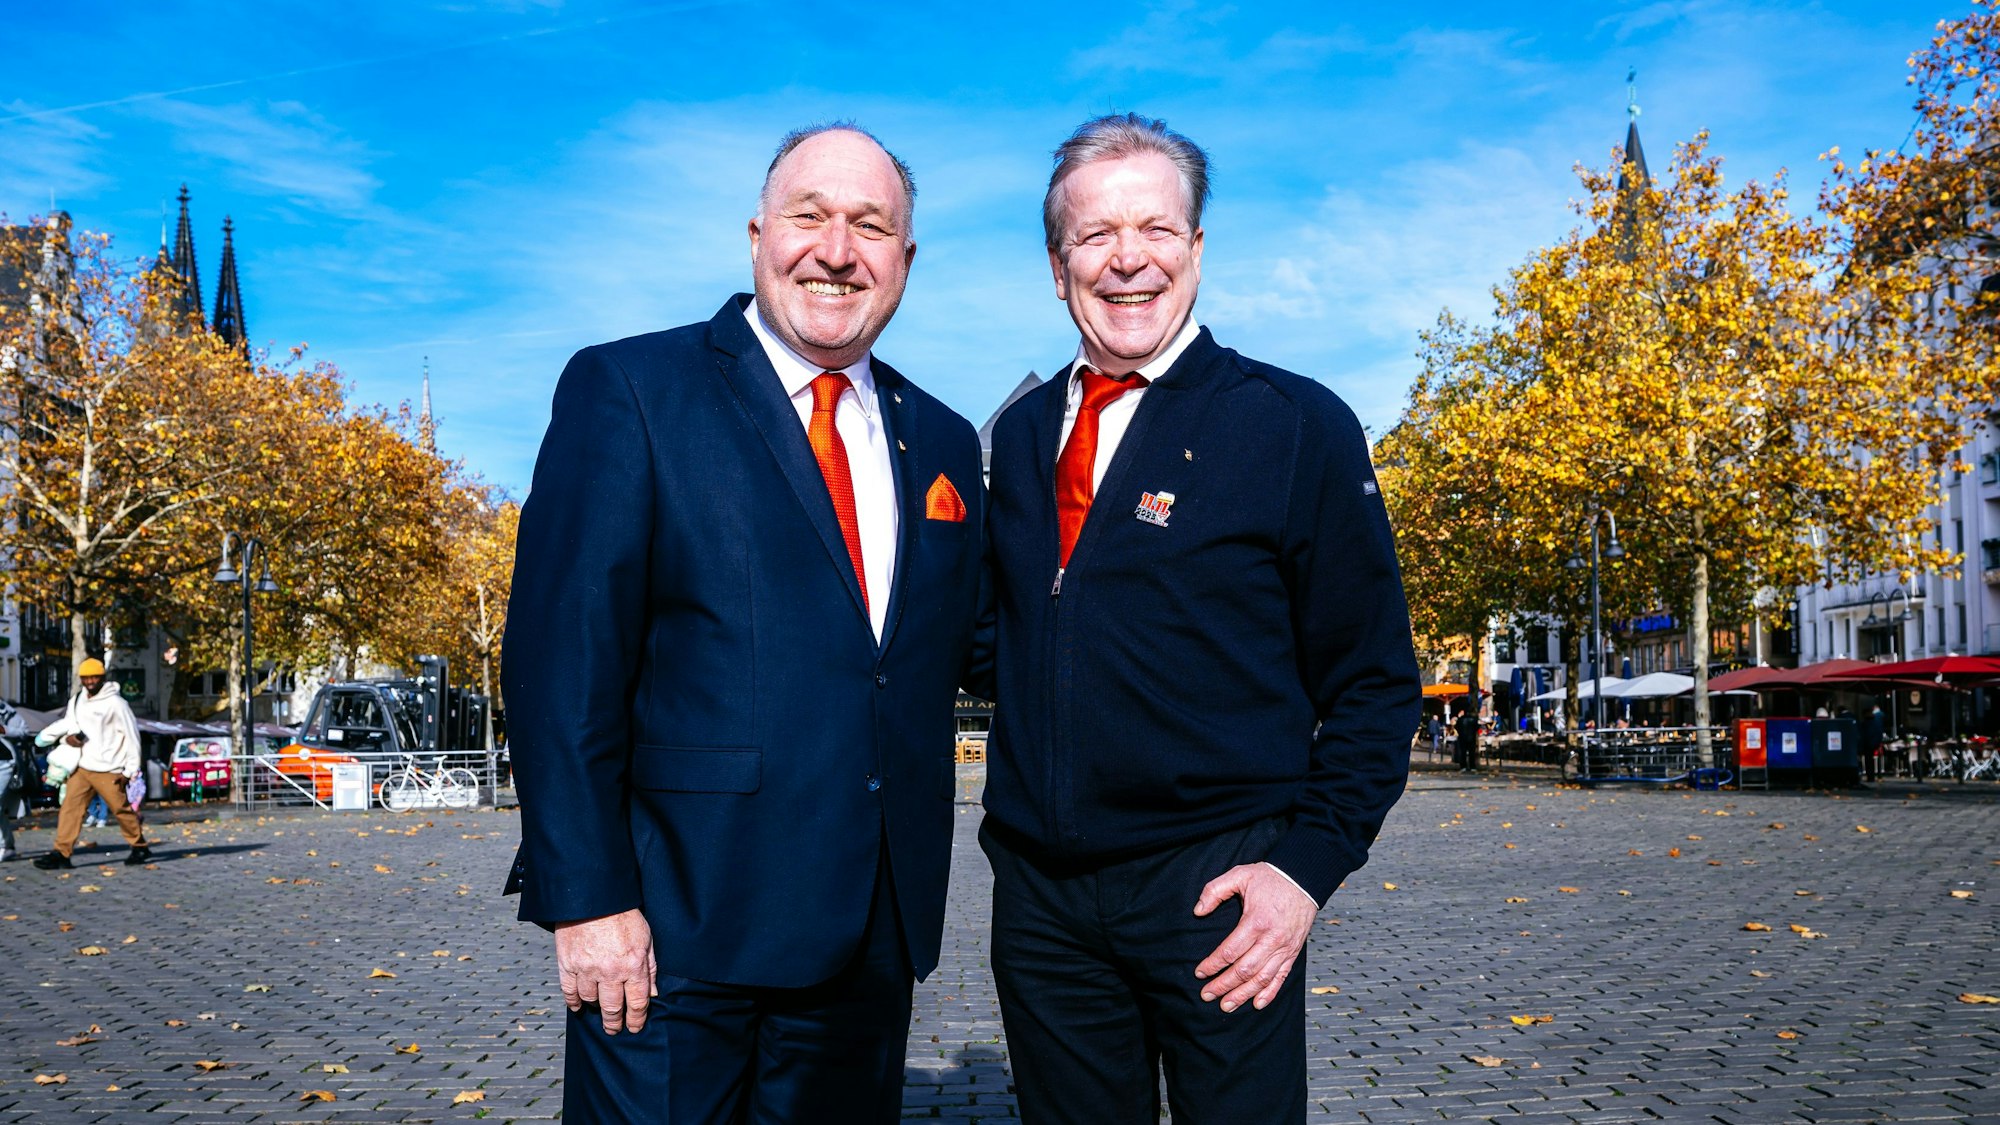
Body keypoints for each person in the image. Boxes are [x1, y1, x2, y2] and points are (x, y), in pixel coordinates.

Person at [502, 123, 985, 1123]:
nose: (837, 250)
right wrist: (587, 898)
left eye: (870, 226)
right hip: (672, 938)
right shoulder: (631, 390)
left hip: (865, 942)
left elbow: (965, 650)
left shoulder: (939, 438)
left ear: (905, 258)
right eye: (810, 216)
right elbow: (563, 663)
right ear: (759, 234)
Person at [973, 113, 1420, 1124]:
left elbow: (1375, 683)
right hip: (1042, 906)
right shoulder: (1019, 435)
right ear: (1057, 267)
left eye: (1156, 229)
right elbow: (1003, 637)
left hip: (1220, 893)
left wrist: (1303, 871)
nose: (1127, 258)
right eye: (1095, 235)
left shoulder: (1293, 423)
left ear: (1197, 248)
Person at [33, 659, 150, 869]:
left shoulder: (116, 704)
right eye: (86, 678)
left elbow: (132, 737)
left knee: (121, 809)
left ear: (103, 677)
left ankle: (139, 845)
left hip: (109, 767)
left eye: (94, 677)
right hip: (82, 766)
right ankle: (62, 853)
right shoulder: (77, 699)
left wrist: (130, 770)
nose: (90, 682)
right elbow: (69, 725)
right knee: (70, 809)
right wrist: (67, 739)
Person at [1455, 705, 1480, 773]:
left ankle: (1463, 766)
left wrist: (1460, 733)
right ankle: (1472, 766)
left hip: (1462, 738)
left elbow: (1456, 727)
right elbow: (1477, 727)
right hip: (1471, 738)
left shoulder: (1460, 719)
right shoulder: (1474, 719)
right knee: (1472, 753)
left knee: (1463, 753)